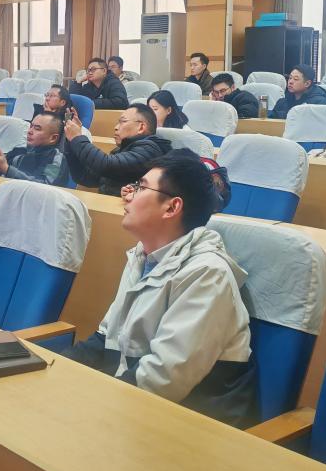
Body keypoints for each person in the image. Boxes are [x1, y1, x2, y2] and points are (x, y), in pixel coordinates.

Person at [63, 149, 256, 425]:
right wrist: (53, 371)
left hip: (191, 423)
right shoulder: (143, 256)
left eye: (141, 187)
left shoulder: (207, 273)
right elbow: (105, 338)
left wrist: (93, 407)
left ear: (172, 207)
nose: (128, 195)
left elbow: (163, 379)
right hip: (136, 405)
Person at [63, 103, 171, 196]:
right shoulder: (122, 150)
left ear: (141, 127)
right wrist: (71, 142)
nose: (116, 127)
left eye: (123, 122)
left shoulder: (149, 149)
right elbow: (85, 178)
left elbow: (106, 165)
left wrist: (77, 138)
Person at [0, 112, 71, 186]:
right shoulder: (19, 152)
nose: (30, 131)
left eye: (37, 128)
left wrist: (6, 169)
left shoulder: (56, 159)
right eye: (31, 126)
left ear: (53, 138)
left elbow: (45, 186)